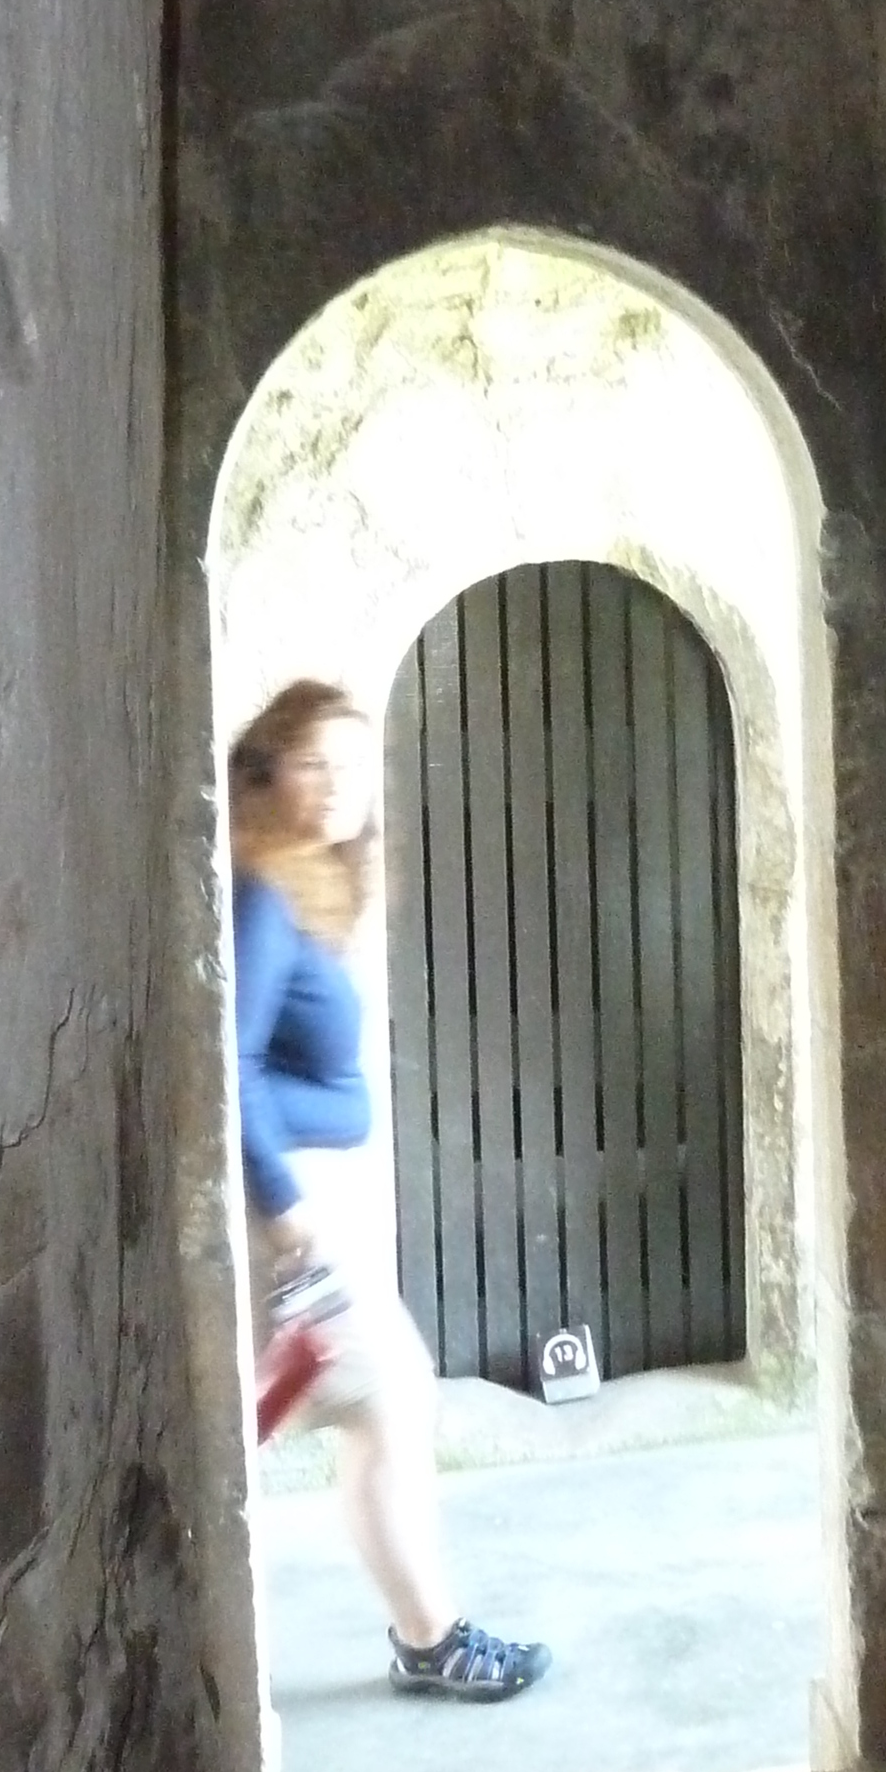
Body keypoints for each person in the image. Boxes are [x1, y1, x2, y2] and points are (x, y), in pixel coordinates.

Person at [227, 677, 551, 1703]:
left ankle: (426, 1632)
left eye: (350, 766)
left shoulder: (301, 881)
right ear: (270, 770)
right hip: (289, 1207)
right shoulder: (263, 890)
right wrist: (289, 1217)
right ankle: (430, 1635)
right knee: (389, 1394)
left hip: (307, 1195)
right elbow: (225, 1065)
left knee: (372, 1402)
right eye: (312, 762)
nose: (333, 786)